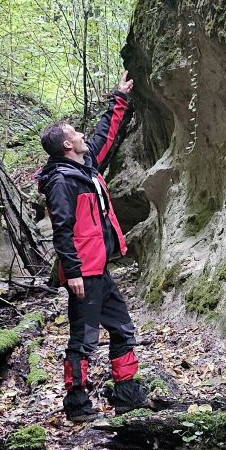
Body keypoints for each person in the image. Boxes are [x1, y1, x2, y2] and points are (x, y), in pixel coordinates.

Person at [38, 73, 144, 422]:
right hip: (85, 272)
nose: (81, 136)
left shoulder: (84, 166)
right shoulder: (60, 181)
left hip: (100, 269)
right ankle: (77, 406)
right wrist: (74, 272)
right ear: (67, 146)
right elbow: (62, 230)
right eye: (74, 134)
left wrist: (119, 97)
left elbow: (103, 135)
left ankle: (127, 398)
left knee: (123, 328)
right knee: (83, 340)